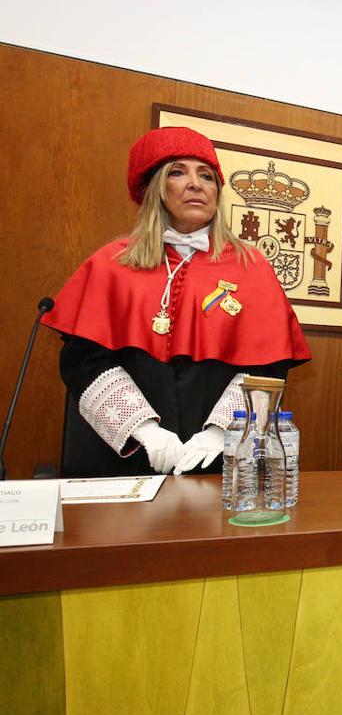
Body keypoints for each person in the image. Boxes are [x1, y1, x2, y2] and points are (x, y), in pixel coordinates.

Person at [42, 126, 311, 478]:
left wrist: (222, 434)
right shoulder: (111, 264)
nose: (196, 184)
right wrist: (145, 431)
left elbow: (268, 366)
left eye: (207, 176)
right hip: (129, 457)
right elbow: (84, 362)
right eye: (178, 172)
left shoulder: (252, 266)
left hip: (221, 462)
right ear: (155, 189)